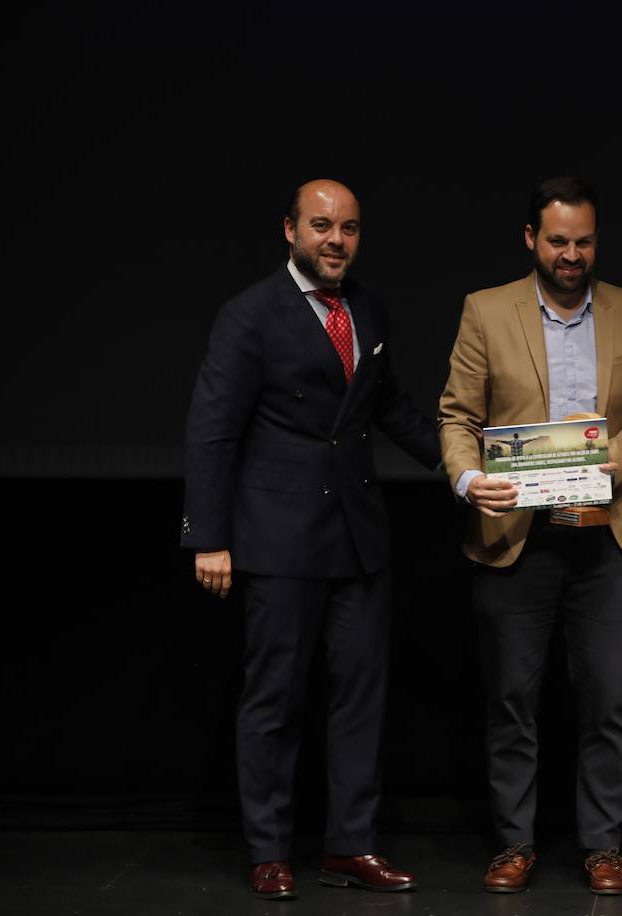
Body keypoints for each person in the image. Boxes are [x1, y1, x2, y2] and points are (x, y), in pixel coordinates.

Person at [181, 179, 442, 900]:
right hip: (278, 539)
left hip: (360, 539)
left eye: (350, 228)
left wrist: (460, 463)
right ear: (290, 230)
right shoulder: (249, 315)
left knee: (360, 697)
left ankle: (349, 846)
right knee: (275, 698)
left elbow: (388, 404)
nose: (336, 240)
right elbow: (211, 431)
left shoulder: (367, 306)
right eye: (322, 225)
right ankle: (268, 850)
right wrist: (207, 536)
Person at [438, 176, 622, 896]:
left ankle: (603, 846)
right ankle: (514, 841)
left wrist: (616, 461)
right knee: (512, 700)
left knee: (608, 701)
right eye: (558, 241)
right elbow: (457, 417)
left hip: (604, 536)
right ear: (532, 240)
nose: (572, 254)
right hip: (516, 536)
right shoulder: (486, 310)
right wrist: (467, 479)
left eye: (583, 241)